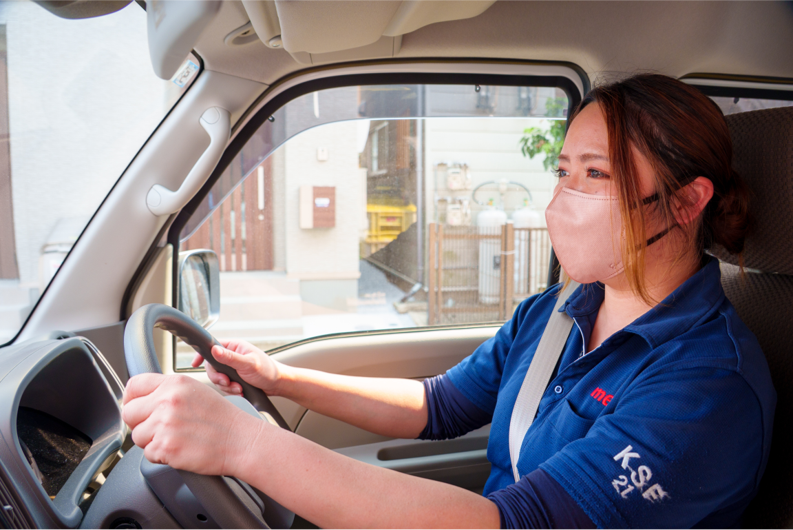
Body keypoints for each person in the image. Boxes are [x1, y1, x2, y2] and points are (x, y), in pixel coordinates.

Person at [121, 74, 776, 529]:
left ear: (685, 202)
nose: (560, 201)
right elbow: (437, 405)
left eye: (595, 174)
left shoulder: (708, 389)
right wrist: (279, 377)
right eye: (562, 172)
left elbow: (517, 523)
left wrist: (245, 446)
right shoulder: (555, 312)